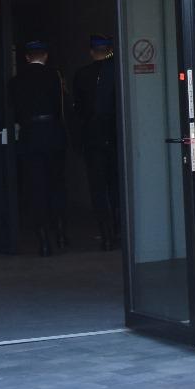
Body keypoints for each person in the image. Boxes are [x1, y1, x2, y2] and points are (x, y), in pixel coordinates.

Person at [10, 39, 67, 256]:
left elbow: (14, 110)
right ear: (45, 56)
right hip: (52, 135)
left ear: (27, 57)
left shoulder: (16, 81)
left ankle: (43, 241)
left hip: (30, 136)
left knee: (36, 189)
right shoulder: (55, 76)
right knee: (56, 185)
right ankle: (60, 233)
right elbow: (61, 107)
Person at [71, 35, 121, 251]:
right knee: (116, 186)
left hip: (93, 139)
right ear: (109, 50)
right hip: (115, 137)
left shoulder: (82, 75)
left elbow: (78, 111)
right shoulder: (117, 72)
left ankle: (107, 235)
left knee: (98, 189)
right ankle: (118, 230)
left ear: (92, 52)